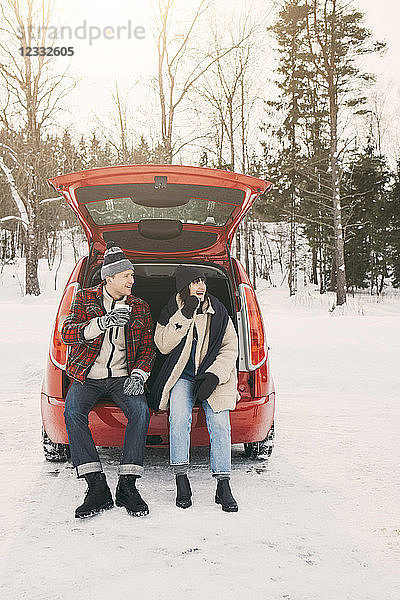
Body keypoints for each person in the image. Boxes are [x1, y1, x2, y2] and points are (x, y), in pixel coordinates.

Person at [61, 241, 155, 519]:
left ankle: (127, 485)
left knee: (140, 411)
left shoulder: (139, 306)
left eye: (132, 275)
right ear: (110, 277)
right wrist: (101, 323)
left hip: (122, 377)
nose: (132, 280)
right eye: (127, 275)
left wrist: (139, 373)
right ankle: (96, 487)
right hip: (88, 375)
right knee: (73, 412)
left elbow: (148, 348)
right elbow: (67, 332)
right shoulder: (85, 298)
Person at [150, 265, 239, 512]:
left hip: (213, 376)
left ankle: (223, 484)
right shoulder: (171, 309)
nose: (201, 286)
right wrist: (185, 314)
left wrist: (213, 375)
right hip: (183, 375)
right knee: (179, 418)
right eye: (195, 282)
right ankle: (181, 479)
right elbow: (163, 345)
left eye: (203, 281)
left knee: (220, 422)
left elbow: (230, 348)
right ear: (184, 286)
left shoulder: (218, 311)